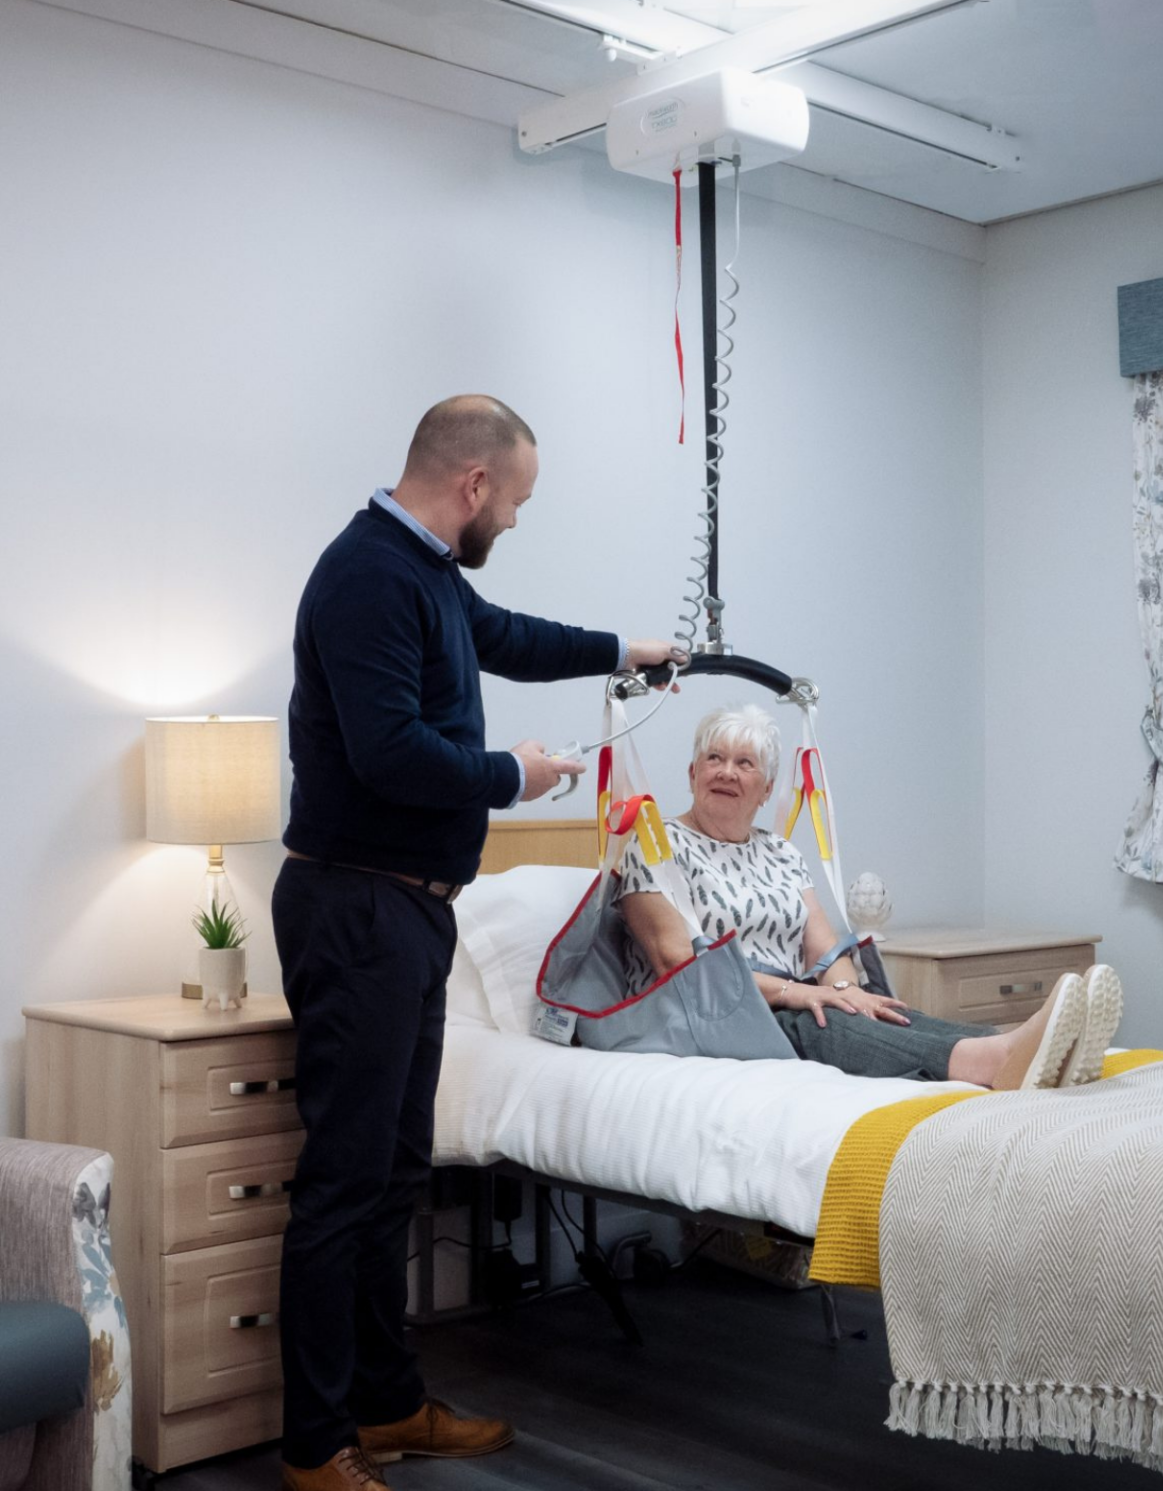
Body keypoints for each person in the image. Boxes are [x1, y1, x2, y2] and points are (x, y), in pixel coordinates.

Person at [274, 394, 685, 1491]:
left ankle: (389, 1405)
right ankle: (315, 1447)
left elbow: (505, 638)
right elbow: (389, 754)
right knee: (344, 1182)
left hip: (408, 908)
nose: (514, 520)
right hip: (355, 907)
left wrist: (619, 652)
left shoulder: (429, 578)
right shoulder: (366, 577)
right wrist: (516, 775)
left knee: (393, 1171)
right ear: (473, 486)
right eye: (516, 501)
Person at [618, 704, 1123, 1090]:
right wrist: (804, 994)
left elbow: (821, 946)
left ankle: (1016, 1048)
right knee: (819, 1026)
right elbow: (676, 962)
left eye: (744, 763)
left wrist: (847, 993)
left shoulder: (778, 853)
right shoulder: (654, 847)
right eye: (714, 758)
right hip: (705, 1017)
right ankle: (994, 1061)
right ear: (692, 774)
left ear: (766, 788)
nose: (727, 772)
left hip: (783, 1000)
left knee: (879, 1011)